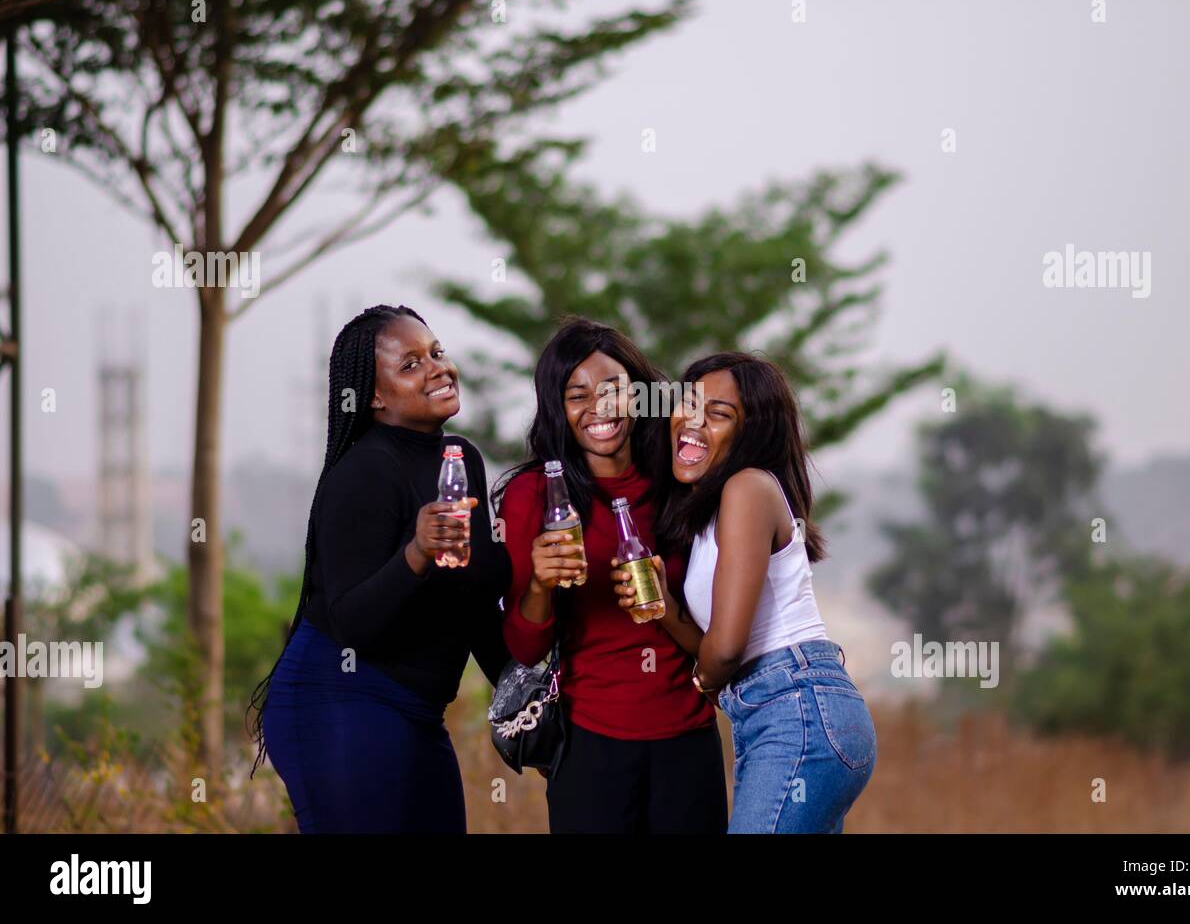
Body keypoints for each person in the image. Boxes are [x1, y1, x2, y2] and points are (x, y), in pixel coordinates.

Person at [248, 304, 509, 833]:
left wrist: (523, 698)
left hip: (416, 709)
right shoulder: (365, 472)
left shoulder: (460, 459)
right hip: (337, 698)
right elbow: (352, 626)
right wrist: (416, 552)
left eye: (436, 353)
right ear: (374, 395)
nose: (438, 368)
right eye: (410, 364)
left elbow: (473, 601)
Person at [616, 352, 876, 833]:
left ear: (750, 433)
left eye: (718, 414)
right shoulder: (714, 511)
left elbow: (727, 649)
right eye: (688, 404)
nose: (692, 422)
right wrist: (664, 609)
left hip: (797, 712)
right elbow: (717, 644)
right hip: (786, 714)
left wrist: (701, 684)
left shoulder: (747, 488)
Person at [496, 317, 727, 834]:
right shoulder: (534, 495)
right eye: (577, 395)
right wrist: (539, 586)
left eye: (613, 389)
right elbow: (525, 648)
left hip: (687, 738)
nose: (599, 408)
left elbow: (721, 619)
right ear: (558, 407)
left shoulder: (680, 479)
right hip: (590, 742)